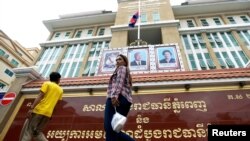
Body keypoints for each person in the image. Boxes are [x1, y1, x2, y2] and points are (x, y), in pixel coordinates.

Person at [19, 72, 63, 141]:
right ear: (58, 79)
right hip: (48, 114)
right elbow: (57, 104)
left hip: (38, 111)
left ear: (50, 78)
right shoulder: (60, 90)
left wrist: (31, 108)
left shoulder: (47, 84)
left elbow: (40, 96)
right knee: (37, 133)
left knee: (29, 132)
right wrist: (51, 114)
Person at [104, 54, 135, 141]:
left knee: (109, 128)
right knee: (114, 129)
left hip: (117, 98)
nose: (117, 61)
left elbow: (118, 82)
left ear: (125, 62)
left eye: (120, 59)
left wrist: (114, 96)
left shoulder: (122, 68)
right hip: (125, 101)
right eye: (116, 60)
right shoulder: (127, 73)